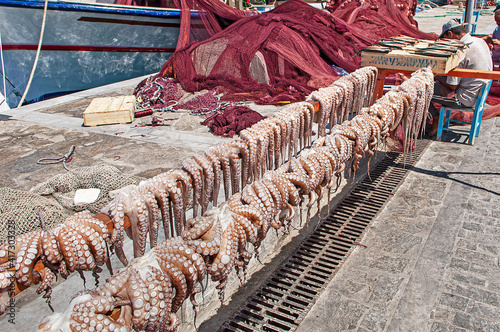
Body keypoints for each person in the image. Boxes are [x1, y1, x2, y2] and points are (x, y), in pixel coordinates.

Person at [427, 18, 493, 136]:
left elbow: (452, 85)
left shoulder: (461, 50)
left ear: (450, 34)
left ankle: (436, 118)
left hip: (465, 99)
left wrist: (435, 75)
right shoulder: (479, 41)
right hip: (479, 94)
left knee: (420, 91)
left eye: (446, 39)